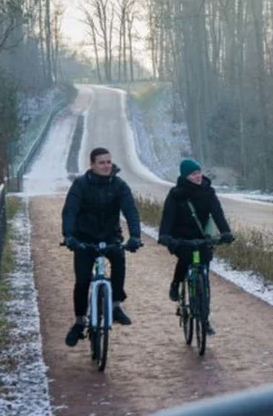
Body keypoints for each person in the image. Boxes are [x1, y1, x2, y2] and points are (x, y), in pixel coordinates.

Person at [61, 147, 143, 347]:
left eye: (108, 162)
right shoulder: (80, 185)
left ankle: (115, 305)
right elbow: (70, 211)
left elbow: (130, 210)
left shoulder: (119, 185)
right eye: (101, 162)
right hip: (84, 238)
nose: (106, 166)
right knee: (82, 281)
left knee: (119, 261)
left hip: (110, 236)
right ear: (92, 165)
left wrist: (135, 236)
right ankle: (79, 322)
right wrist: (69, 236)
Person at [158, 159, 234, 336]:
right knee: (185, 259)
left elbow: (217, 213)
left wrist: (226, 233)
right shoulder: (176, 194)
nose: (197, 176)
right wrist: (165, 236)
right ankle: (175, 285)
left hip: (202, 238)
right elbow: (167, 216)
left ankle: (205, 319)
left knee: (204, 277)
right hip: (180, 237)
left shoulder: (208, 192)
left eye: (198, 172)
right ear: (185, 176)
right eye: (193, 174)